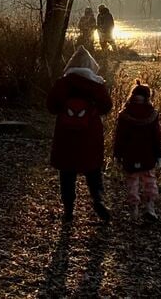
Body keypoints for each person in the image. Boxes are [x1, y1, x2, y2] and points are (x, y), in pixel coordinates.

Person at [46, 46, 113, 223]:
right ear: (91, 66)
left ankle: (68, 210)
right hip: (90, 134)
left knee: (67, 172)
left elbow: (51, 106)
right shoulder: (97, 84)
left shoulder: (63, 82)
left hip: (66, 134)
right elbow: (107, 107)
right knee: (93, 170)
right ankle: (98, 199)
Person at [113, 79, 161, 220]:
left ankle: (133, 209)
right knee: (149, 181)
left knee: (132, 181)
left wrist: (117, 155)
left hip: (130, 154)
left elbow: (119, 137)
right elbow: (157, 137)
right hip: (148, 155)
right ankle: (149, 207)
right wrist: (159, 154)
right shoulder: (152, 113)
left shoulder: (124, 114)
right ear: (148, 97)